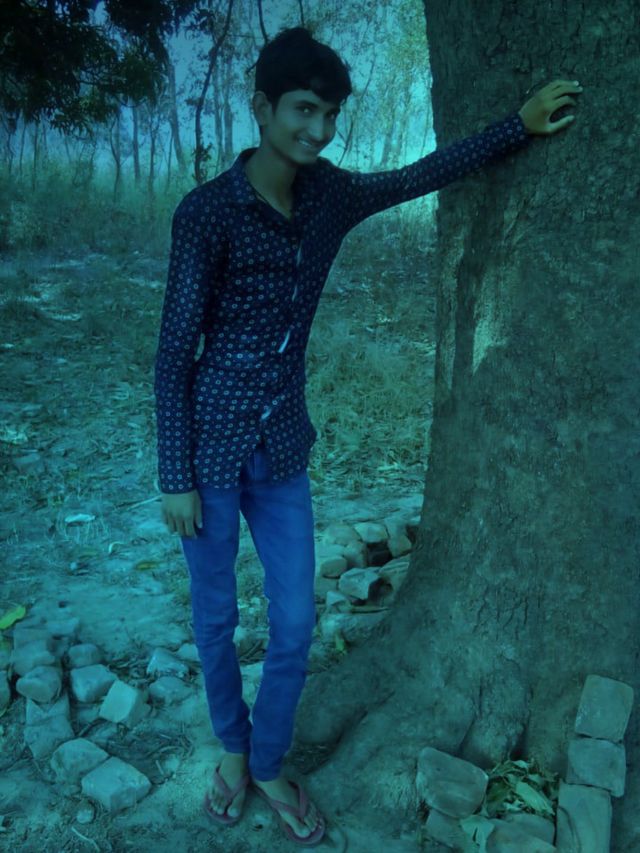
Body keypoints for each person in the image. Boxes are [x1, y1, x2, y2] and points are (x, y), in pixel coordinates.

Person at [153, 24, 582, 846]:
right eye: (303, 110)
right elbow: (174, 352)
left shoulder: (330, 198)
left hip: (283, 448)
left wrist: (517, 127)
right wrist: (174, 472)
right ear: (263, 107)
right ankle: (233, 750)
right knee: (214, 620)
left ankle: (269, 760)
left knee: (294, 621)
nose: (317, 130)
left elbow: (417, 175)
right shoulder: (206, 214)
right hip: (207, 453)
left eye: (329, 115)